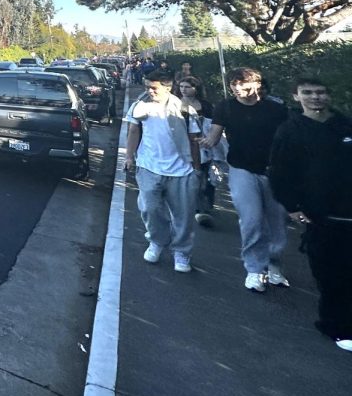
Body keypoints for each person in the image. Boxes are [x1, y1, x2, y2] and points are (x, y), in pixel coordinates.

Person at [269, 76, 352, 352]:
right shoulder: (289, 131)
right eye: (308, 92)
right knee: (331, 273)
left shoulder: (345, 125)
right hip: (321, 216)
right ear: (296, 96)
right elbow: (280, 173)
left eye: (321, 92)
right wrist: (292, 207)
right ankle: (336, 327)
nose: (315, 97)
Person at [203, 67, 289, 292]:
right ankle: (254, 269)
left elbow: (289, 138)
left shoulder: (276, 108)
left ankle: (274, 265)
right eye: (233, 84)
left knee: (276, 221)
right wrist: (204, 144)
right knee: (251, 219)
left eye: (243, 84)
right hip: (241, 168)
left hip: (275, 171)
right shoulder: (225, 107)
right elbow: (213, 135)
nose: (238, 88)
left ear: (257, 84)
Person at [123, 69, 203, 273]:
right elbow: (133, 131)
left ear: (167, 87)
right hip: (149, 166)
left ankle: (182, 251)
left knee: (183, 215)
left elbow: (194, 140)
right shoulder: (139, 106)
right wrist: (129, 157)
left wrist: (196, 168)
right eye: (147, 87)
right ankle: (157, 241)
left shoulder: (184, 108)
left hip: (181, 170)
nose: (150, 91)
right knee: (149, 208)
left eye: (154, 88)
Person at [178, 76, 224, 227]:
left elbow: (215, 126)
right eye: (181, 86)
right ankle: (198, 208)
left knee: (205, 177)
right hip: (184, 145)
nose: (183, 90)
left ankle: (206, 206)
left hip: (203, 145)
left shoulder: (206, 105)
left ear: (195, 88)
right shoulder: (175, 104)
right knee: (190, 175)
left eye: (187, 87)